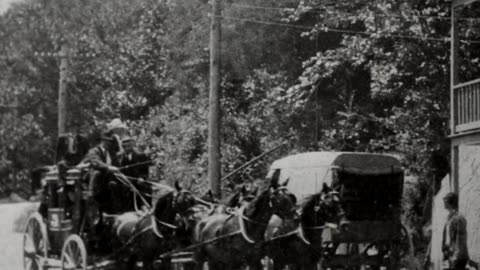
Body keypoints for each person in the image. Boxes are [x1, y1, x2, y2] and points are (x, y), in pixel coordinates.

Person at [119, 136, 151, 211]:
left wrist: (141, 178)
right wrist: (125, 181)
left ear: (132, 145)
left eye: (128, 145)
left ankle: (145, 208)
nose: (127, 148)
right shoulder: (119, 157)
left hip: (138, 182)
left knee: (145, 188)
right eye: (124, 146)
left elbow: (145, 171)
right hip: (125, 183)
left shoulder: (140, 155)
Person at [442, 192, 469, 270]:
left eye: (445, 200)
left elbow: (461, 239)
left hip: (458, 258)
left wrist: (456, 257)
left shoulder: (459, 218)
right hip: (451, 255)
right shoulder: (449, 217)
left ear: (450, 202)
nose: (444, 201)